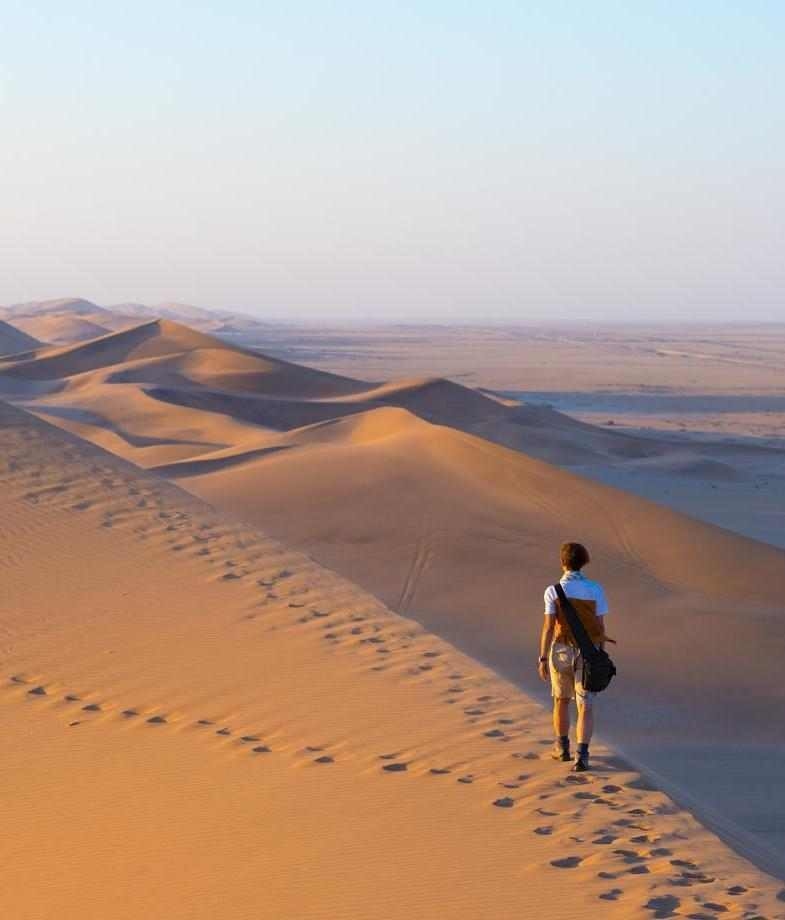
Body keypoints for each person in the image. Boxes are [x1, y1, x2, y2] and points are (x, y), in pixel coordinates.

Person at [538, 542, 609, 772]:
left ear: (562, 562)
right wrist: (600, 654)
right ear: (584, 562)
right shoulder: (595, 589)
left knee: (561, 700)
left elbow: (548, 627)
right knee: (585, 705)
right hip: (589, 652)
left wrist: (541, 658)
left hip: (560, 649)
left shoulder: (553, 590)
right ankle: (583, 755)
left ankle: (562, 748)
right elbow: (600, 626)